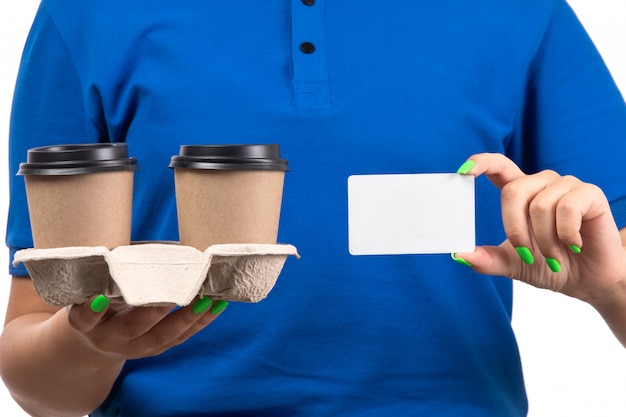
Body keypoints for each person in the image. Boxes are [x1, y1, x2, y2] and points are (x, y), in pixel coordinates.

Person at [1, 0, 626, 416]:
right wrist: (91, 341)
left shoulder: (520, 10)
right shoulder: (87, 13)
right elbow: (38, 379)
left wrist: (611, 286)